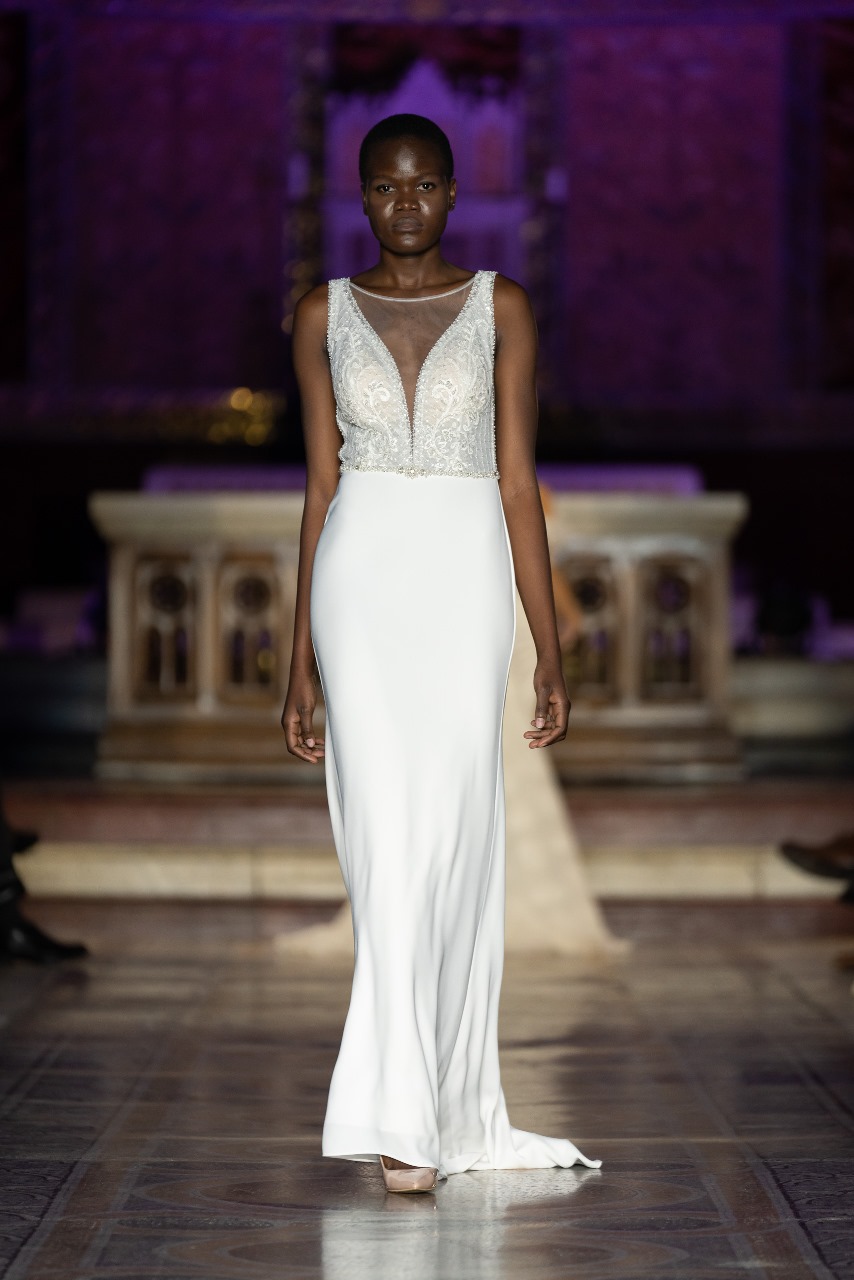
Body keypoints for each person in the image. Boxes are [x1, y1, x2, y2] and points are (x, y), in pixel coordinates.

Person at [280, 114, 601, 1193]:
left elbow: (516, 482)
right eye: (384, 186)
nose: (404, 203)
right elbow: (320, 486)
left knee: (452, 839)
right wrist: (298, 662)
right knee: (383, 842)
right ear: (360, 195)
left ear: (455, 193)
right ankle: (399, 1114)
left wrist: (546, 650)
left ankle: (438, 1105)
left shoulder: (501, 306)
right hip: (360, 578)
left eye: (423, 185)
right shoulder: (320, 312)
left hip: (465, 579)